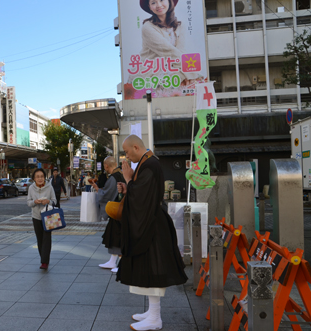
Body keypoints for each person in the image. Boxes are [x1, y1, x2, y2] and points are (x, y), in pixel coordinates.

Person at [116, 135, 187, 331]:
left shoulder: (150, 165)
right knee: (149, 268)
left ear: (136, 147)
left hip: (152, 227)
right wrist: (127, 186)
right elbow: (138, 192)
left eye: (127, 152)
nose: (127, 156)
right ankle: (151, 311)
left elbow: (141, 195)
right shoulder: (147, 163)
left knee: (153, 268)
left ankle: (155, 317)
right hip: (152, 223)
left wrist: (129, 180)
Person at [131, 0, 202, 88]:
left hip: (173, 70)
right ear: (149, 7)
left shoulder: (180, 25)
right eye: (153, 3)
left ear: (169, 1)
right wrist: (192, 73)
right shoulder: (147, 27)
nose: (159, 5)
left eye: (161, 0)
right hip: (150, 75)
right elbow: (169, 51)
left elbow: (181, 50)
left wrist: (187, 74)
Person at [91, 157, 126, 272]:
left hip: (117, 211)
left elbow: (106, 195)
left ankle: (121, 264)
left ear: (106, 166)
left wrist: (97, 189)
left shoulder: (113, 178)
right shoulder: (121, 174)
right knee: (113, 236)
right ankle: (112, 260)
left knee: (117, 236)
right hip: (121, 210)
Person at [26, 168, 56, 270]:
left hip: (48, 216)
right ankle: (43, 258)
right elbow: (28, 202)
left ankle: (44, 262)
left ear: (44, 177)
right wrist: (35, 202)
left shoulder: (49, 187)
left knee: (47, 239)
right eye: (37, 177)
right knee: (39, 239)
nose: (40, 178)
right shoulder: (31, 188)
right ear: (34, 178)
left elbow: (54, 201)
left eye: (42, 176)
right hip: (36, 217)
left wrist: (48, 201)